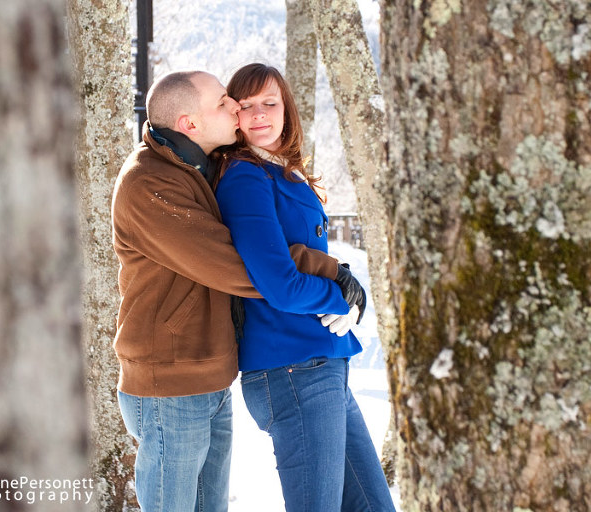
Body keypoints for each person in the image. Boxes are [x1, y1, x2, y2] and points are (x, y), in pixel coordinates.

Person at [111, 70, 362, 512]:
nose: (238, 111)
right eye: (226, 103)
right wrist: (330, 274)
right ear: (190, 123)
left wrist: (329, 272)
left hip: (209, 376)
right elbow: (239, 265)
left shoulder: (197, 170)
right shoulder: (148, 183)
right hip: (167, 384)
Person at [215, 63, 396, 512]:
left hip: (323, 363)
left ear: (287, 109)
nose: (259, 115)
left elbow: (306, 256)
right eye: (246, 106)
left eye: (269, 103)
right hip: (292, 369)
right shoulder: (245, 176)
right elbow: (279, 284)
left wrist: (350, 290)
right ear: (232, 117)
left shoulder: (284, 172)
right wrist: (339, 297)